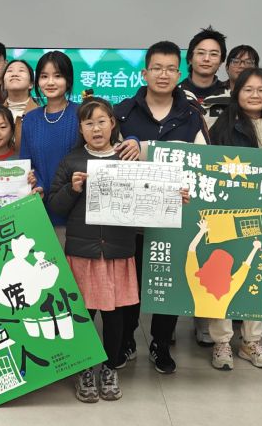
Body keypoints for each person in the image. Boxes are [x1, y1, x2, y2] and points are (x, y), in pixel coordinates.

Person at [49, 96, 189, 403]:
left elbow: (149, 199)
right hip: (83, 252)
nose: (96, 128)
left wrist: (172, 198)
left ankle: (110, 368)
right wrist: (72, 188)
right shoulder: (72, 161)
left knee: (116, 316)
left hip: (118, 251)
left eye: (102, 121)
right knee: (83, 314)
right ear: (81, 129)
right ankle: (84, 369)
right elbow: (54, 205)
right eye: (89, 123)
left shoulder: (129, 161)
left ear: (113, 124)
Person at [113, 41, 200, 374]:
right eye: (157, 68)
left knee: (168, 281)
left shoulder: (192, 116)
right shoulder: (123, 112)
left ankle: (161, 343)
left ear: (179, 74)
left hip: (173, 218)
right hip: (131, 218)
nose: (163, 75)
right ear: (144, 73)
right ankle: (127, 339)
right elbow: (108, 157)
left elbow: (203, 162)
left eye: (171, 69)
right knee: (130, 282)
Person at [208, 68, 262, 370]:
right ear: (237, 93)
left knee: (260, 285)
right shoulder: (221, 128)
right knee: (221, 280)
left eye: (261, 90)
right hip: (226, 219)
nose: (255, 95)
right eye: (248, 89)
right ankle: (221, 341)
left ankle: (251, 341)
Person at [20, 51, 82, 230]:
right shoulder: (30, 119)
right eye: (44, 76)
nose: (50, 82)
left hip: (77, 210)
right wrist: (37, 184)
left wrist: (132, 140)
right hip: (40, 208)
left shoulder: (81, 114)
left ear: (68, 80)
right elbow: (27, 164)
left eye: (58, 76)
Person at [179, 27, 230, 129]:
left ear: (221, 61)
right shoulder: (174, 95)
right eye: (201, 53)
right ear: (190, 58)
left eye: (213, 54)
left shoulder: (231, 97)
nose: (206, 59)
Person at [1, 59, 39, 147]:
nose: (14, 74)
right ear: (4, 84)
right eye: (10, 71)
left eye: (21, 70)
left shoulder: (42, 115)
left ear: (31, 84)